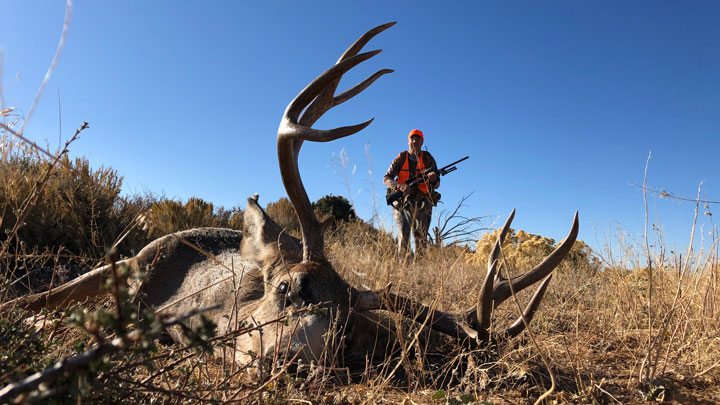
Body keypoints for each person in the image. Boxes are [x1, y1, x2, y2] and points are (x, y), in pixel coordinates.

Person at [383, 129, 440, 259]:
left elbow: (437, 184)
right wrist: (400, 186)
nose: (415, 141)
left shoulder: (428, 158)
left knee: (421, 237)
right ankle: (403, 269)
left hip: (422, 201)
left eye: (418, 138)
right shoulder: (401, 158)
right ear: (408, 141)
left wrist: (434, 179)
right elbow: (386, 178)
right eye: (412, 138)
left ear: (422, 141)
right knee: (404, 233)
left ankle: (419, 271)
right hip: (402, 201)